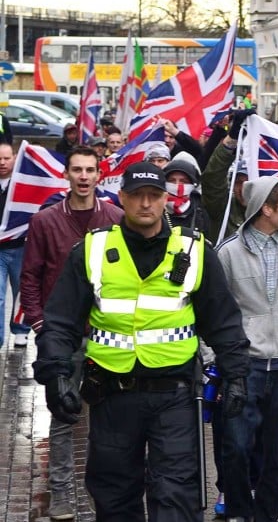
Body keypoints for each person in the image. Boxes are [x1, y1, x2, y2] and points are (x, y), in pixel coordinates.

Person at [32, 161, 251, 521]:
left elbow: (223, 321)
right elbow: (60, 321)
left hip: (175, 397)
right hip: (112, 395)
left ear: (165, 198)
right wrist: (55, 374)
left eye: (153, 195)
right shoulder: (92, 250)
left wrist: (237, 374)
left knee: (176, 496)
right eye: (136, 196)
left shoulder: (194, 250)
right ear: (122, 198)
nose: (145, 204)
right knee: (115, 498)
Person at [21, 145, 124, 520]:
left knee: (107, 419)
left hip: (106, 333)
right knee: (63, 415)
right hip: (61, 337)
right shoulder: (46, 221)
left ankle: (103, 492)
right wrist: (39, 324)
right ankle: (62, 493)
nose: (83, 176)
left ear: (100, 175)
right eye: (77, 170)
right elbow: (30, 276)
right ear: (67, 175)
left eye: (90, 170)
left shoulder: (114, 217)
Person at [217, 177, 278, 522]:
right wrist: (216, 359)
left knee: (277, 455)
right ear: (267, 209)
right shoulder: (228, 253)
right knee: (237, 448)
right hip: (246, 368)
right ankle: (239, 512)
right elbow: (216, 312)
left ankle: (267, 516)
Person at [0, 143, 30, 347]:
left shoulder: (25, 184)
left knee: (22, 290)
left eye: (6, 158)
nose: (2, 163)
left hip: (20, 247)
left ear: (15, 158)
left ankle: (21, 329)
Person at [164, 158, 212, 237]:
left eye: (184, 181)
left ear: (193, 185)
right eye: (172, 180)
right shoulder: (157, 210)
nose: (177, 186)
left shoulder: (200, 213)